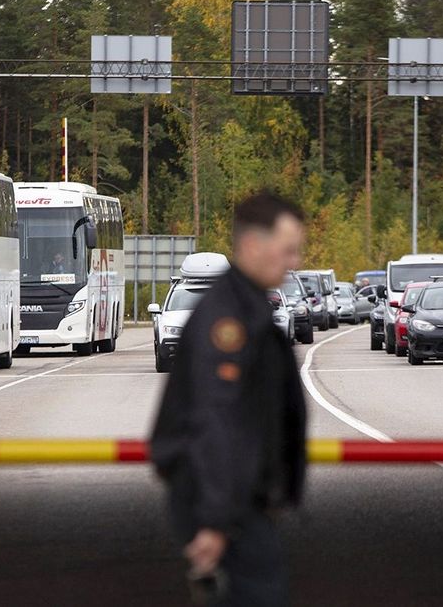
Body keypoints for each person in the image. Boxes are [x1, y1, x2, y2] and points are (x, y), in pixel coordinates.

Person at [150, 191, 308, 606]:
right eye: (288, 250)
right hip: (224, 506)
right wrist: (215, 522)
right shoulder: (228, 322)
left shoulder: (246, 307)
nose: (294, 262)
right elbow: (217, 421)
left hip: (235, 500)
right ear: (254, 245)